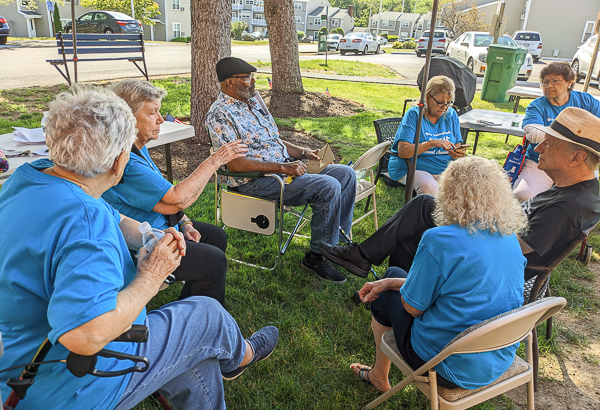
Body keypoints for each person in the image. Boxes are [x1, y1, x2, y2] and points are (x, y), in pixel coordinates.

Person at [0, 87, 278, 410]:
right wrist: (150, 276)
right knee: (207, 315)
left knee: (193, 355)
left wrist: (148, 236)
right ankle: (240, 355)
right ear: (119, 161)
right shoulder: (84, 222)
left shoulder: (29, 178)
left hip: (18, 362)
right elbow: (85, 335)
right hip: (73, 386)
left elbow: (114, 216)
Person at [320, 107, 600, 282]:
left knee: (421, 214)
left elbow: (514, 250)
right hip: (496, 245)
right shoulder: (575, 190)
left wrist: (473, 219)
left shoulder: (568, 205)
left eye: (548, 144)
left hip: (494, 265)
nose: (537, 149)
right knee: (422, 211)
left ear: (576, 157)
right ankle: (384, 283)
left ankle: (368, 263)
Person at [350, 156, 527, 392]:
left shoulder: (439, 240)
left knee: (387, 288)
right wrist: (391, 283)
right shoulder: (510, 238)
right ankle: (378, 374)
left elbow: (413, 308)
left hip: (444, 364)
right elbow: (465, 290)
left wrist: (393, 281)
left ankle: (378, 375)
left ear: (448, 193)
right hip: (496, 359)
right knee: (390, 282)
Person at [205, 56, 356, 284]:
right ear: (230, 83)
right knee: (328, 186)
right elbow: (236, 164)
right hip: (255, 182)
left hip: (285, 171)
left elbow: (273, 141)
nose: (253, 82)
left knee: (346, 173)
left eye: (252, 77)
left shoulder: (254, 102)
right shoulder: (220, 115)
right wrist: (283, 167)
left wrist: (303, 152)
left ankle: (337, 246)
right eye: (247, 78)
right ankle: (316, 257)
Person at [102, 79, 248, 306]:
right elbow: (177, 198)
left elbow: (170, 205)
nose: (161, 119)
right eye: (152, 113)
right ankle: (200, 320)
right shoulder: (127, 163)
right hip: (141, 243)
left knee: (216, 237)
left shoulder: (137, 148)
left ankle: (190, 304)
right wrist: (214, 161)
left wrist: (186, 224)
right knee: (215, 261)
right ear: (127, 118)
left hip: (163, 227)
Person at [513, 61, 600, 202]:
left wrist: (553, 136)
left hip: (578, 163)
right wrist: (578, 137)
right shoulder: (536, 106)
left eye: (555, 81)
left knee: (583, 202)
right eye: (545, 82)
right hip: (541, 161)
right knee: (522, 196)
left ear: (569, 83)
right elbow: (533, 133)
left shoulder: (586, 101)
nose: (549, 86)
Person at [388, 75, 466, 196]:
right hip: (412, 168)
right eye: (440, 103)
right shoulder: (414, 115)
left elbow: (457, 145)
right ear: (428, 97)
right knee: (429, 185)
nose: (444, 108)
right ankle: (424, 214)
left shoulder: (451, 114)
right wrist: (432, 143)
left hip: (444, 169)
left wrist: (458, 153)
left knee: (472, 184)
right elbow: (403, 151)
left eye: (448, 103)